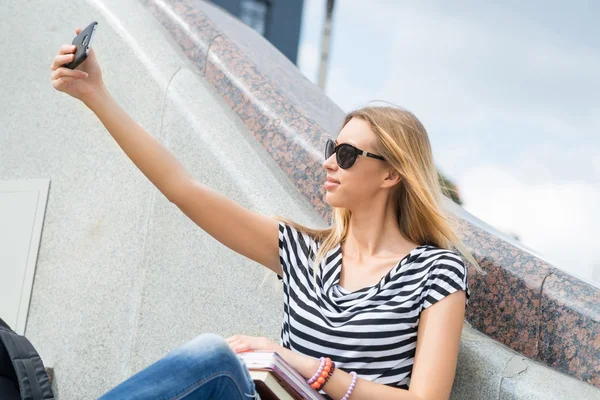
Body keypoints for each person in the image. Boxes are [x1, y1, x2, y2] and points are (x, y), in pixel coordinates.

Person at [50, 27, 478, 400]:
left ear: (391, 176)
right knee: (215, 359)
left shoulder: (435, 272)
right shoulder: (303, 252)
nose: (328, 162)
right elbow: (182, 188)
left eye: (346, 155)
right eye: (332, 149)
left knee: (215, 356)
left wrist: (302, 365)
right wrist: (96, 95)